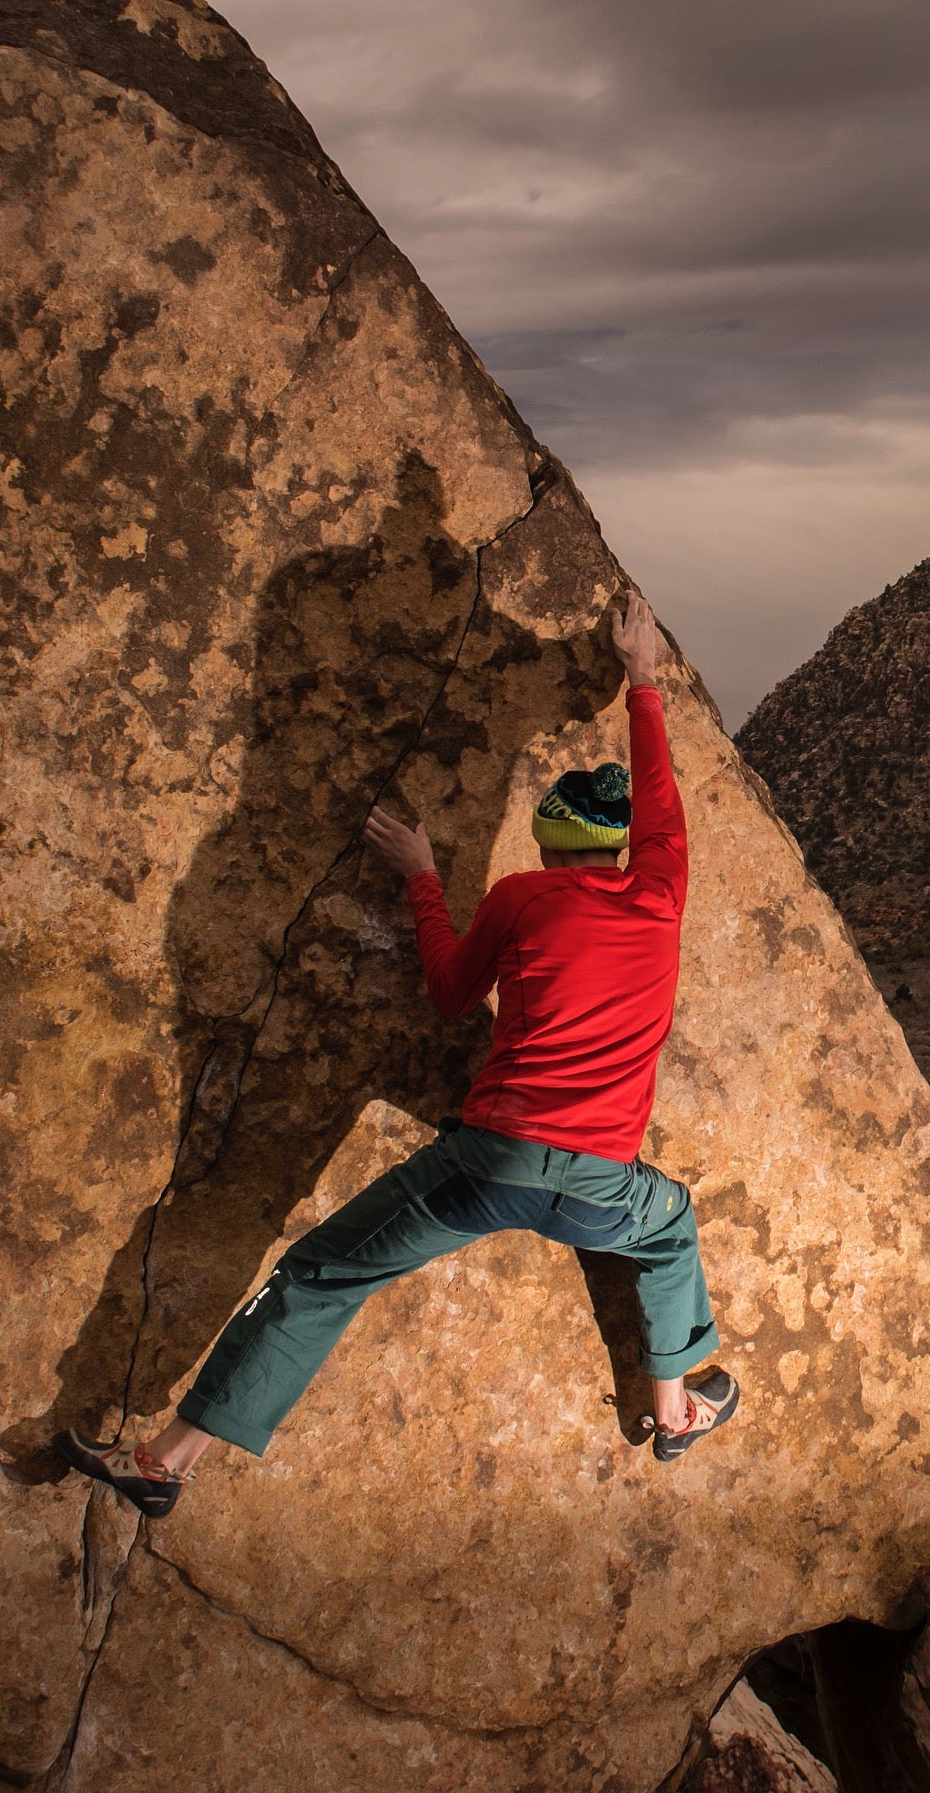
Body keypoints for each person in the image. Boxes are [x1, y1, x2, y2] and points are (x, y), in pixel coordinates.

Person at [64, 586, 732, 1516]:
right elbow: (659, 797)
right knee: (670, 1228)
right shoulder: (658, 894)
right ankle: (674, 1412)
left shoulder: (519, 900)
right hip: (601, 1189)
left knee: (323, 1274)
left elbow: (453, 995)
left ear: (548, 845)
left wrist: (423, 879)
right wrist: (642, 676)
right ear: (620, 850)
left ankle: (167, 1463)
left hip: (488, 1163)